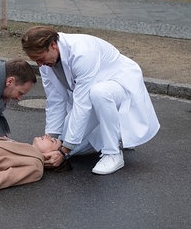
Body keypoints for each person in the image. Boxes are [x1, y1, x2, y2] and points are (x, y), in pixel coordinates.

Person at [21, 26, 160, 175]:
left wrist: (64, 151)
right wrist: (52, 140)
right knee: (70, 139)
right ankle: (119, 137)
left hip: (121, 84)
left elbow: (83, 103)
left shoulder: (82, 52)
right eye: (36, 61)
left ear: (53, 46)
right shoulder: (46, 62)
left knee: (98, 93)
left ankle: (112, 153)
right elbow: (55, 100)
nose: (40, 64)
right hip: (94, 95)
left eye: (40, 59)